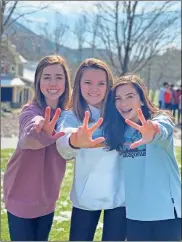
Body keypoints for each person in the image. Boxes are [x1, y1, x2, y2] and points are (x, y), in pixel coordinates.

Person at [103, 74, 181, 241]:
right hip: (135, 215)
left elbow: (162, 128)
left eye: (130, 96)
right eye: (118, 98)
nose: (123, 103)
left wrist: (153, 129)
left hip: (166, 213)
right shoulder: (118, 130)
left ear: (143, 100)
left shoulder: (159, 120)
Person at [56, 58, 126, 241]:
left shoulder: (120, 111)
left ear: (108, 85)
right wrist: (75, 140)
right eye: (88, 82)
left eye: (101, 83)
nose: (94, 88)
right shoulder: (71, 115)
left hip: (120, 197)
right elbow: (63, 143)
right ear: (78, 84)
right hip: (85, 198)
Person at [3, 55, 71, 241]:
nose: (53, 82)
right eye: (47, 77)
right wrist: (42, 130)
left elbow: (72, 147)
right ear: (38, 81)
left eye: (59, 77)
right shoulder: (30, 111)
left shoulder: (69, 117)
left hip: (47, 197)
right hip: (20, 195)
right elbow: (29, 137)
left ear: (66, 82)